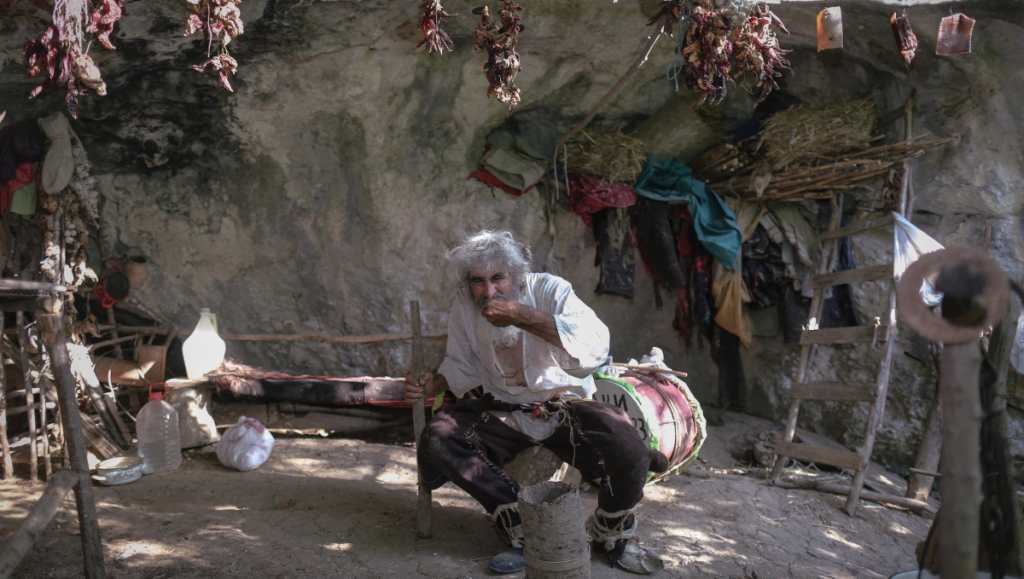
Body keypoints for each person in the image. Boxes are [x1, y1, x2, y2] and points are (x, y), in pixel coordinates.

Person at [405, 230, 667, 575]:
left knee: (629, 446)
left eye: (498, 278)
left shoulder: (551, 290)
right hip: (503, 409)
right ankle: (525, 529)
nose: (489, 291)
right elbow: (460, 364)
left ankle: (610, 530)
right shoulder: (465, 306)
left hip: (563, 406)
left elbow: (594, 344)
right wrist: (433, 384)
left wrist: (521, 315)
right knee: (440, 437)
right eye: (478, 281)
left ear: (516, 274)